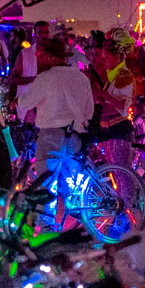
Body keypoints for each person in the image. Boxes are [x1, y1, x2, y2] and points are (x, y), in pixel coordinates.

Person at [16, 37, 95, 183]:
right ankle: (66, 205)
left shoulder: (45, 78)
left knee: (44, 184)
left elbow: (26, 103)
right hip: (76, 137)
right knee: (68, 182)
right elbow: (89, 111)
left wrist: (17, 101)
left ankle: (49, 206)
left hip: (51, 136)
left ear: (51, 57)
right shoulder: (81, 78)